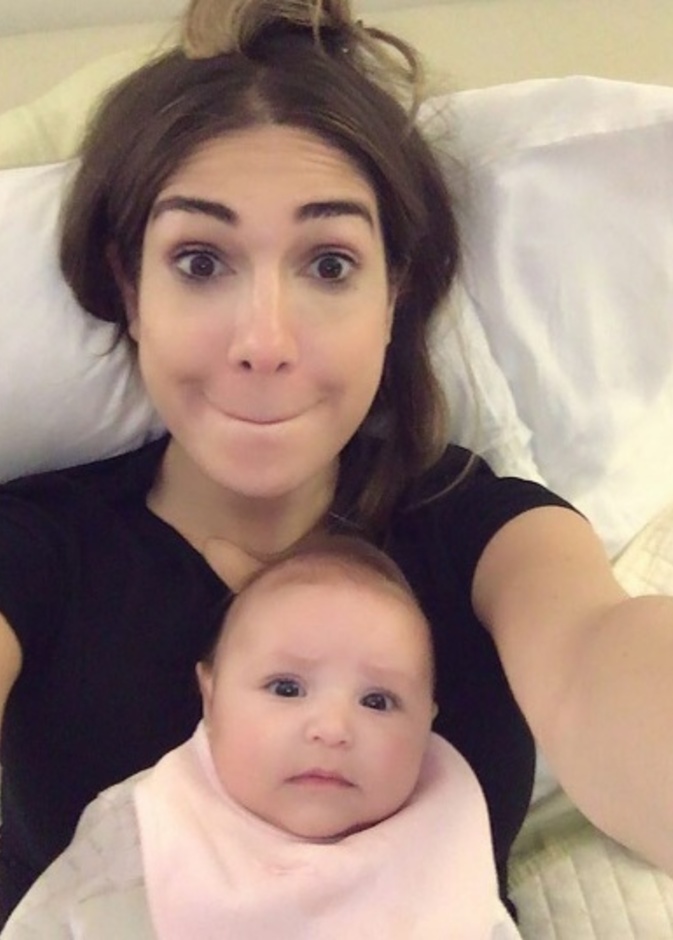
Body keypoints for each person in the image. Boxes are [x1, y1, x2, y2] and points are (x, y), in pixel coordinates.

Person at [0, 0, 672, 925]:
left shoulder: (482, 531)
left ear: (394, 293)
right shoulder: (35, 547)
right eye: (199, 261)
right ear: (129, 286)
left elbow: (597, 651)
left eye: (327, 265)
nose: (264, 343)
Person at [0, 536, 522, 938]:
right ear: (211, 698)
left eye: (378, 701)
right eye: (287, 688)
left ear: (427, 722)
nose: (332, 730)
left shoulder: (442, 846)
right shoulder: (149, 825)